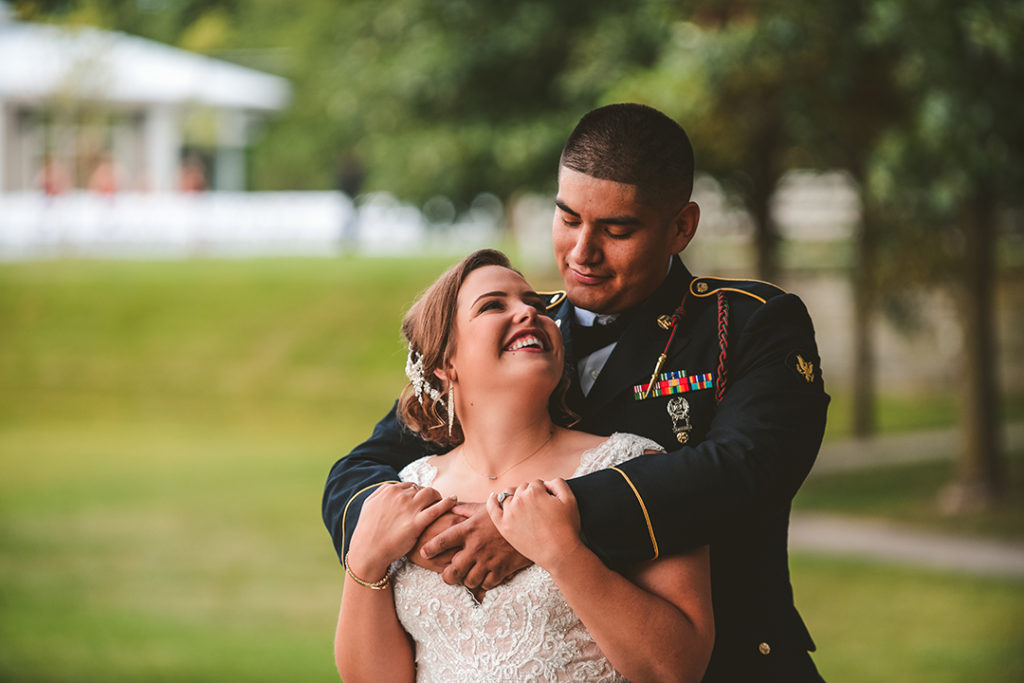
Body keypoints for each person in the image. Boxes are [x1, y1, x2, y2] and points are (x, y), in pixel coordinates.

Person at [323, 103, 830, 681]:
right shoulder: (522, 334)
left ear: (681, 227)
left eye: (617, 230)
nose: (582, 253)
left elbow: (744, 470)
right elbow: (364, 467)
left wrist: (545, 524)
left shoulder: (747, 325)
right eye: (567, 219)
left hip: (735, 663)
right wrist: (404, 531)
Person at [334, 249, 714, 682]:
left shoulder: (633, 465)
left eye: (534, 305)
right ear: (444, 363)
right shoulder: (408, 490)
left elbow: (677, 671)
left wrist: (563, 554)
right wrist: (363, 561)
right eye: (493, 305)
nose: (532, 314)